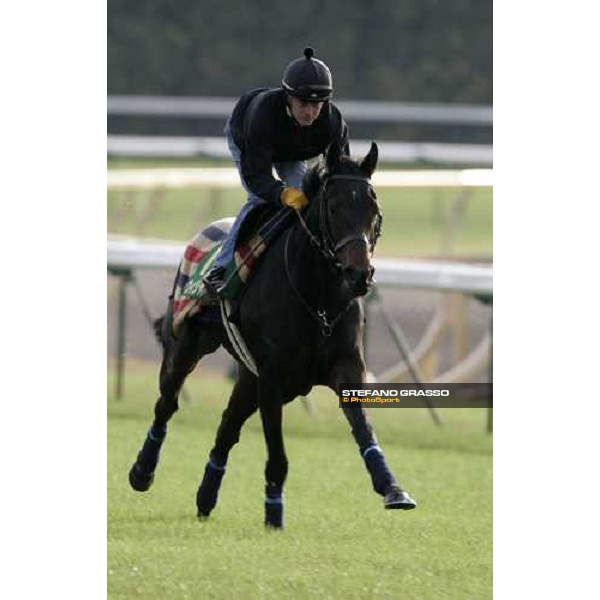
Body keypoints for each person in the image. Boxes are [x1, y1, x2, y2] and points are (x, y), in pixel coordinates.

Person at [202, 46, 350, 298]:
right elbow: (257, 178)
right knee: (260, 198)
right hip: (248, 139)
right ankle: (220, 268)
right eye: (304, 103)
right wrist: (282, 193)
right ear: (288, 97)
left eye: (317, 104)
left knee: (307, 198)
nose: (310, 112)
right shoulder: (262, 115)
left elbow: (342, 172)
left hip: (292, 149)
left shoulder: (332, 121)